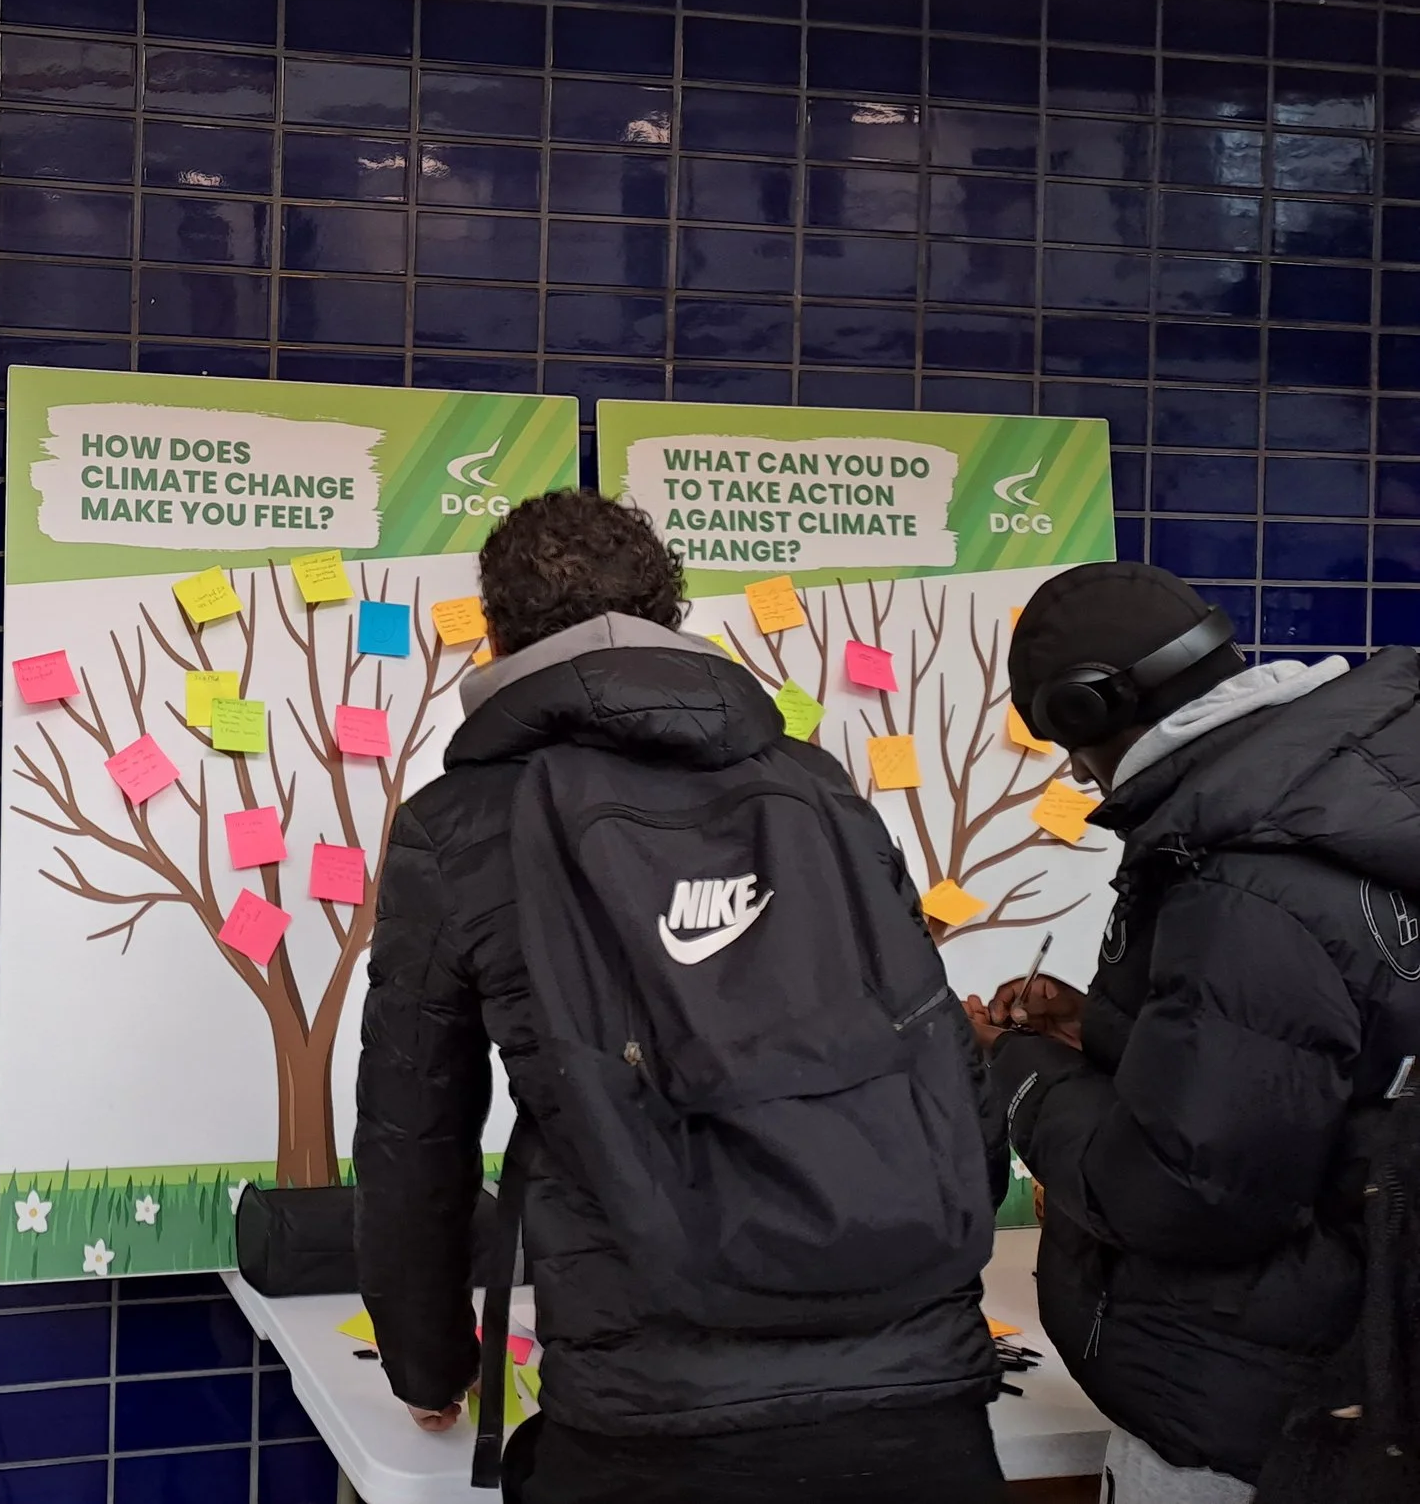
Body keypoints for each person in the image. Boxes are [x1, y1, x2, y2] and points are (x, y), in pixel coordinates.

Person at [353, 489, 1003, 1504]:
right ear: (670, 613)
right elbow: (935, 1041)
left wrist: (427, 1361)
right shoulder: (815, 784)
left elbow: (414, 1124)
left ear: (493, 634)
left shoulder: (463, 822)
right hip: (916, 1383)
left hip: (653, 1405)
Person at [973, 559, 1420, 1501]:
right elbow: (1302, 1063)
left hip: (1250, 1412)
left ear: (1089, 713)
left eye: (1066, 744)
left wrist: (1014, 1067)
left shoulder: (1239, 873)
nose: (1071, 770)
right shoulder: (1350, 798)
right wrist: (1098, 1025)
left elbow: (1186, 1191)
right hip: (1364, 1370)